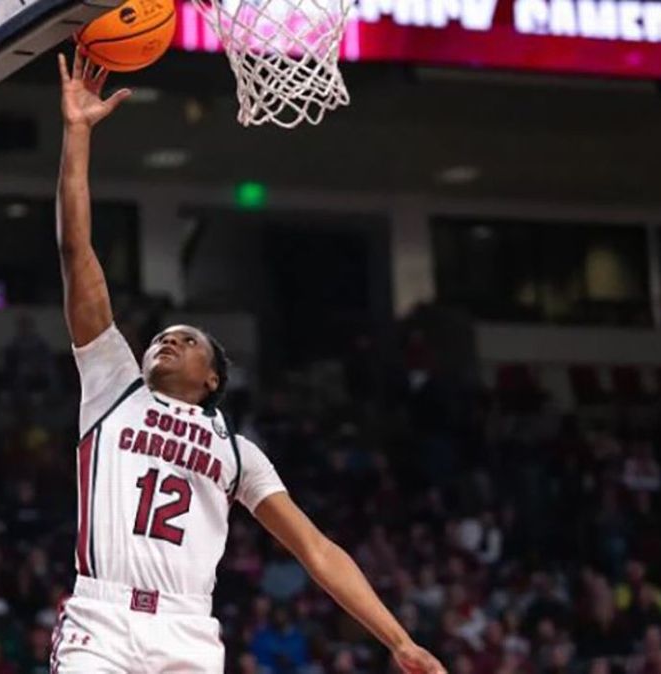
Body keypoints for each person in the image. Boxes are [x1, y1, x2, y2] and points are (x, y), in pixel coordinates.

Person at [48, 49, 444, 674]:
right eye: (161, 337)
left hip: (187, 627)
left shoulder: (238, 453)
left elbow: (316, 550)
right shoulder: (113, 386)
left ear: (213, 378)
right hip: (102, 617)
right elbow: (77, 251)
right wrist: (76, 134)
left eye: (186, 339)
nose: (166, 341)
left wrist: (399, 640)